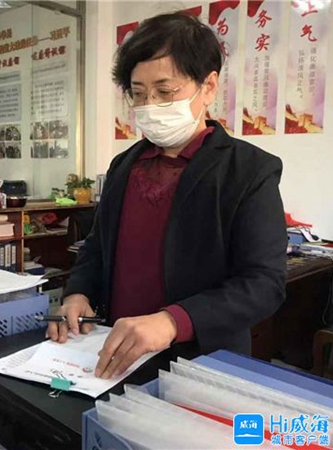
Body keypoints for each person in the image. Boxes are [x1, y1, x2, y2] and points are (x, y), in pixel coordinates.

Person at [47, 12, 287, 379]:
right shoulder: (124, 165)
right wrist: (77, 293)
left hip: (201, 360)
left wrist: (173, 321)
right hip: (114, 353)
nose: (150, 105)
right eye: (139, 94)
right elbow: (97, 247)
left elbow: (264, 284)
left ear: (208, 87)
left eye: (165, 91)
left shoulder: (248, 170)